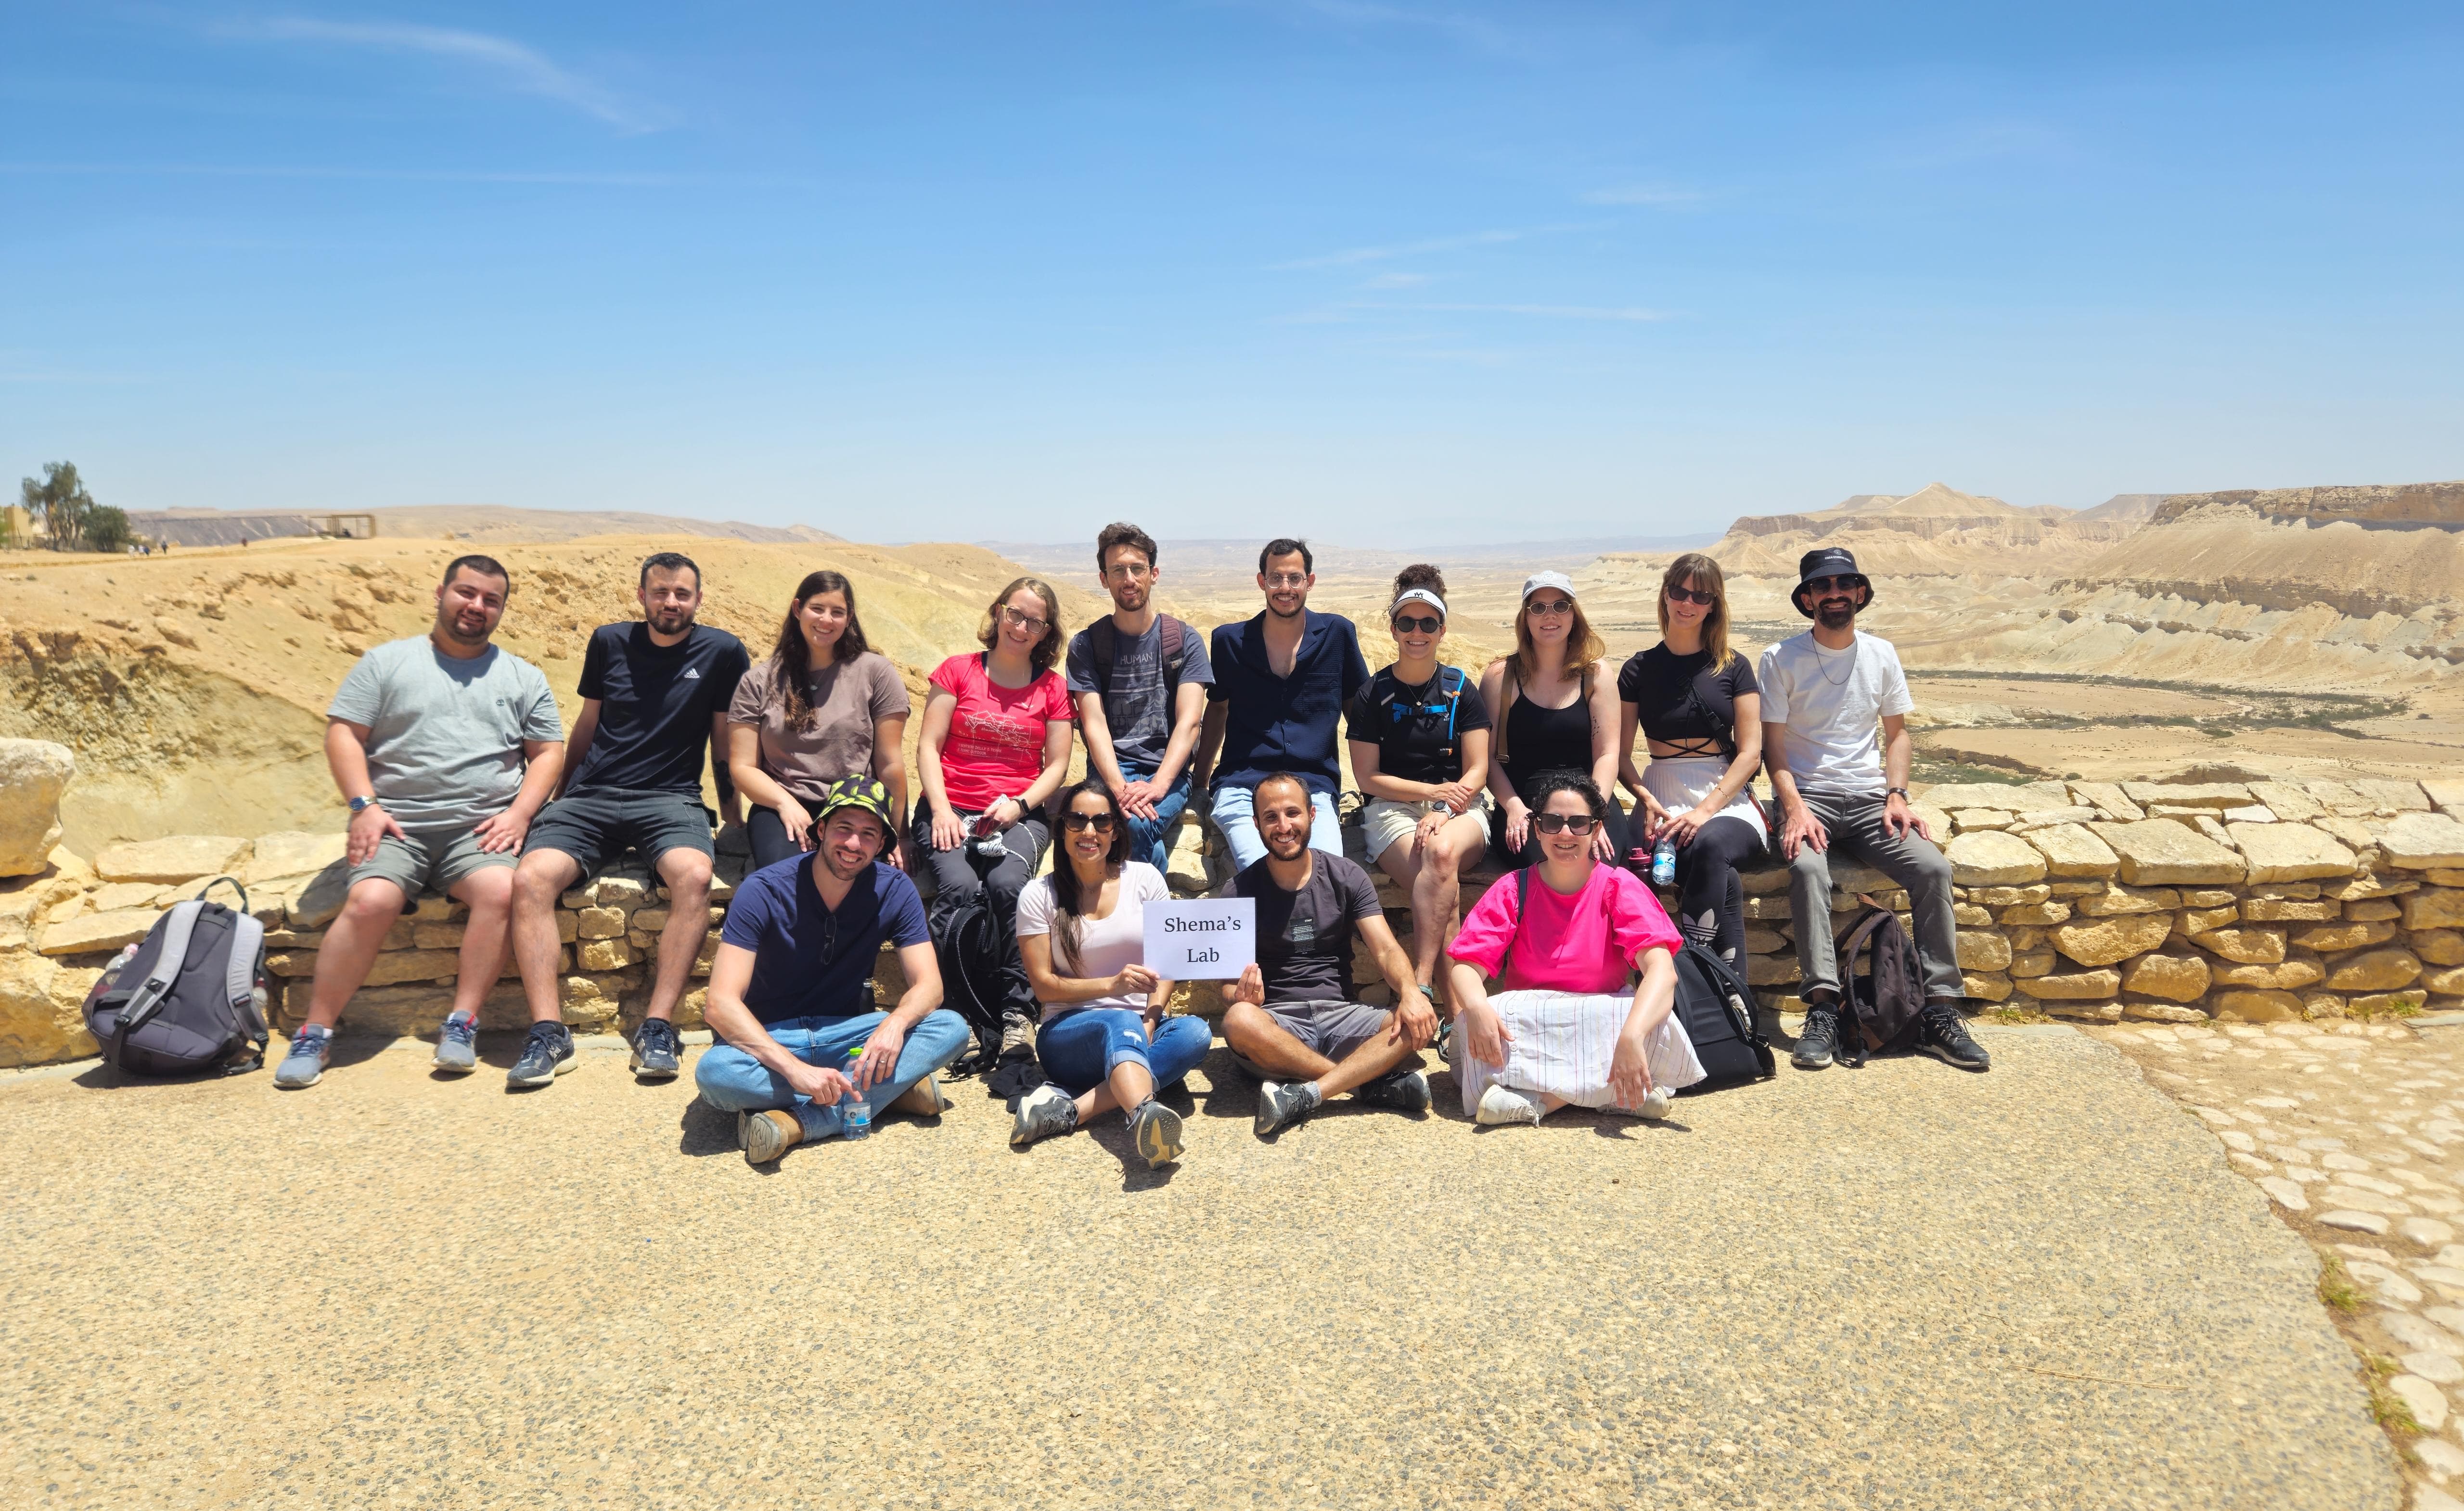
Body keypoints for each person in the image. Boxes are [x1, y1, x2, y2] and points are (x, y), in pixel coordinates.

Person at [273, 556, 565, 1089]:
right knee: (370, 902)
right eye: (466, 593)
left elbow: (548, 751)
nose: (476, 606)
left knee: (501, 892)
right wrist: (364, 806)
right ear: (441, 593)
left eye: (491, 599)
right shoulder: (387, 663)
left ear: (501, 609)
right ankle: (315, 1031)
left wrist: (520, 813)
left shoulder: (522, 676)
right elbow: (344, 733)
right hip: (396, 826)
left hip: (480, 830)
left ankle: (462, 1023)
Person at [507, 552, 749, 1087]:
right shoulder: (609, 642)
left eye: (682, 593)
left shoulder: (722, 651)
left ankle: (658, 1027)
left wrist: (733, 814)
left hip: (670, 798)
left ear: (698, 599)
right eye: (660, 592)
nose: (671, 602)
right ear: (642, 595)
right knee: (530, 879)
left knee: (693, 876)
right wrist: (563, 796)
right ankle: (548, 1032)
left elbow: (723, 739)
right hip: (592, 795)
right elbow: (588, 723)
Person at [1760, 547, 1989, 1074]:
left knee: (1933, 868)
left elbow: (1897, 734)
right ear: (1807, 598)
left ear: (1859, 593)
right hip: (1809, 797)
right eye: (1822, 586)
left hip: (1869, 800)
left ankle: (1939, 1010)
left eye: (1844, 583)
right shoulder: (1780, 658)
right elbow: (1773, 746)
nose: (1834, 593)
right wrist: (1794, 808)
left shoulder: (1881, 653)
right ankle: (1823, 1008)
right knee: (1808, 870)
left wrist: (1897, 794)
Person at [696, 776, 968, 1165]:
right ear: (821, 829)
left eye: (869, 834)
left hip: (847, 1035)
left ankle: (800, 1123)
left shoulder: (895, 889)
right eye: (844, 828)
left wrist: (894, 1025)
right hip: (774, 1038)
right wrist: (795, 1070)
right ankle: (886, 1094)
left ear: (881, 844)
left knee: (950, 1028)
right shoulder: (764, 889)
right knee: (716, 1074)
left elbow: (930, 987)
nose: (854, 844)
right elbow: (720, 1005)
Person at [1445, 774, 1704, 1126]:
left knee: (1645, 1015)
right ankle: (1616, 1094)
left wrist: (1632, 1036)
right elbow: (1466, 966)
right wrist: (1477, 1008)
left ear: (1597, 831)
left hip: (1601, 1023)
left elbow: (1662, 971)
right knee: (1488, 1014)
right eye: (1553, 822)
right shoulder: (1513, 889)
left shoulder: (1619, 886)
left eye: (1579, 823)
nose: (1565, 834)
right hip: (1535, 1026)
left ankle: (1541, 1101)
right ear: (1538, 830)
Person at [1217, 772, 1433, 1136]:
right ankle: (1363, 1085)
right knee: (1239, 1020)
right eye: (1271, 817)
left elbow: (1385, 949)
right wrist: (1240, 997)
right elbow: (1226, 986)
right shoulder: (1238, 891)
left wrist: (1412, 993)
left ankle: (1307, 1093)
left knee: (1417, 1023)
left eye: (1293, 813)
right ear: (1256, 824)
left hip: (1342, 1015)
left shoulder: (1346, 875)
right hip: (1278, 1024)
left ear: (1312, 815)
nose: (1283, 826)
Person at [914, 576, 1076, 1054]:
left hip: (1019, 812)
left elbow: (1058, 765)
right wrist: (941, 809)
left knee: (1010, 887)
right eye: (1015, 614)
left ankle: (1017, 1014)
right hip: (948, 806)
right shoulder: (957, 671)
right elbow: (928, 745)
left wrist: (1019, 805)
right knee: (959, 887)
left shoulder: (1053, 688)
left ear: (1046, 632)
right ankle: (955, 1013)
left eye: (1034, 622)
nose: (1021, 627)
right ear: (999, 611)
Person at [1009, 780, 1207, 1167]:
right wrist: (1112, 986)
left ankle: (1072, 1112)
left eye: (1101, 822)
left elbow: (1166, 961)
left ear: (1115, 830)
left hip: (1138, 1026)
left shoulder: (1146, 879)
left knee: (1196, 1033)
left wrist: (1149, 1022)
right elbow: (1044, 987)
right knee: (1120, 1019)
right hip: (1068, 1036)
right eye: (1077, 820)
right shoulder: (1038, 895)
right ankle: (1141, 1112)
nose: (1089, 831)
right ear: (1062, 828)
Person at [1345, 563, 1490, 1007]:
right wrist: (1431, 794)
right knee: (1444, 892)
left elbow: (1478, 770)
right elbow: (1367, 777)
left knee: (1441, 855)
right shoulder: (1373, 694)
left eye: (1428, 623)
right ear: (1393, 629)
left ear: (1442, 630)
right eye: (1407, 622)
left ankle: (1423, 983)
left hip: (1460, 807)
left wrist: (1444, 809)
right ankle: (1460, 1019)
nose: (1417, 632)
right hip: (1392, 808)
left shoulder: (1460, 689)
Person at [1617, 553, 1769, 967]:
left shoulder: (1735, 667)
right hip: (1661, 794)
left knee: (1711, 842)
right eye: (1679, 592)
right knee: (1714, 871)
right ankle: (1731, 989)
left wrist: (1705, 811)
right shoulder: (1637, 670)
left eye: (1701, 596)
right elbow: (1621, 754)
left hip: (1726, 799)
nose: (1688, 603)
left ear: (1714, 605)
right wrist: (1646, 799)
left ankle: (1696, 962)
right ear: (1665, 595)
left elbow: (1751, 752)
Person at [1190, 538, 1369, 874]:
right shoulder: (1230, 641)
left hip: (1313, 787)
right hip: (1243, 786)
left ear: (1309, 582)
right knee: (1261, 871)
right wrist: (1200, 782)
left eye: (1294, 578)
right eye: (1276, 578)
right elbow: (1217, 710)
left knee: (1325, 874)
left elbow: (1359, 713)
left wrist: (1372, 784)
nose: (1285, 588)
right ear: (1262, 582)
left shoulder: (1338, 634)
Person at [727, 570, 911, 871]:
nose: (826, 620)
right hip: (782, 804)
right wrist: (786, 804)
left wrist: (901, 835)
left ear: (849, 618)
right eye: (817, 609)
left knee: (851, 877)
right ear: (798, 609)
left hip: (855, 802)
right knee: (785, 877)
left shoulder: (876, 673)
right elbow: (743, 767)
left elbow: (890, 762)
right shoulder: (759, 681)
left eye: (837, 612)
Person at [1066, 522, 1214, 872]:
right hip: (1109, 770)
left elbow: (1190, 722)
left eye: (1137, 569)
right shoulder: (1088, 645)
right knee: (1132, 824)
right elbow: (1093, 724)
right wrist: (1118, 788)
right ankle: (1154, 901)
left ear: (1154, 574)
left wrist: (1160, 784)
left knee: (1132, 826)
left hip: (1168, 771)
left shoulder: (1184, 641)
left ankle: (1139, 906)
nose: (1129, 579)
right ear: (1104, 579)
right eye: (1118, 570)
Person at [1479, 571, 1630, 872]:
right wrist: (1513, 806)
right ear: (1525, 618)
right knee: (1549, 867)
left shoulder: (1596, 675)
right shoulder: (1501, 677)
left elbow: (1607, 754)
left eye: (1560, 606)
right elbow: (1487, 757)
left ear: (1574, 615)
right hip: (1524, 803)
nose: (1550, 616)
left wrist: (1593, 814)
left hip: (1589, 795)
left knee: (1601, 865)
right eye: (1538, 607)